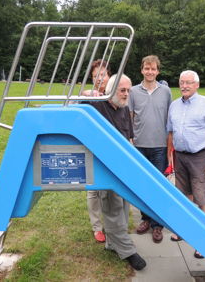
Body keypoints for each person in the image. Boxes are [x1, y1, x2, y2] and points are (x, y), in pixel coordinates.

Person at [88, 73, 147, 271]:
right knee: (112, 209)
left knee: (122, 207)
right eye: (122, 90)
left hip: (123, 169)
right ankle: (128, 251)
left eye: (128, 90)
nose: (126, 94)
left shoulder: (124, 109)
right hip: (105, 169)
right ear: (109, 90)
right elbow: (76, 103)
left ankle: (111, 244)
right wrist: (88, 92)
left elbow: (130, 139)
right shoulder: (97, 105)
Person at [166, 70, 205, 259]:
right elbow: (171, 133)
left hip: (201, 157)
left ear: (197, 85)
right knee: (184, 196)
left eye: (189, 82)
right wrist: (170, 156)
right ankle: (184, 231)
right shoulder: (174, 106)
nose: (184, 86)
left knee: (202, 199)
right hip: (180, 157)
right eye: (182, 82)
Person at [129, 55, 172, 243]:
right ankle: (145, 219)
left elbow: (171, 120)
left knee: (159, 186)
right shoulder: (133, 92)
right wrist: (130, 141)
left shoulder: (166, 91)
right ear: (142, 70)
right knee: (142, 186)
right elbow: (129, 118)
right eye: (147, 68)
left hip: (160, 147)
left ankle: (157, 225)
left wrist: (171, 147)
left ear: (158, 71)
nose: (150, 72)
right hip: (139, 146)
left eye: (153, 69)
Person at [84, 59, 111, 243]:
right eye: (95, 76)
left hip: (111, 149)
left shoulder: (115, 94)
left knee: (110, 189)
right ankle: (97, 227)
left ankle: (112, 226)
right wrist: (82, 94)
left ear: (109, 75)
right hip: (92, 149)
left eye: (102, 74)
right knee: (93, 190)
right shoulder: (88, 97)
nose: (99, 79)